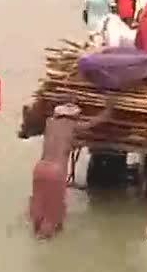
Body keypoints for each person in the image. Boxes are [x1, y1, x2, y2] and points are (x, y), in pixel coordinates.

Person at [29, 100, 114, 239]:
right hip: (56, 171)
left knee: (38, 205)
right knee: (53, 213)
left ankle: (35, 235)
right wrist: (108, 111)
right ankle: (48, 250)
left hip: (40, 167)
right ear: (74, 116)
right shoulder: (73, 125)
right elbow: (94, 123)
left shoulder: (49, 123)